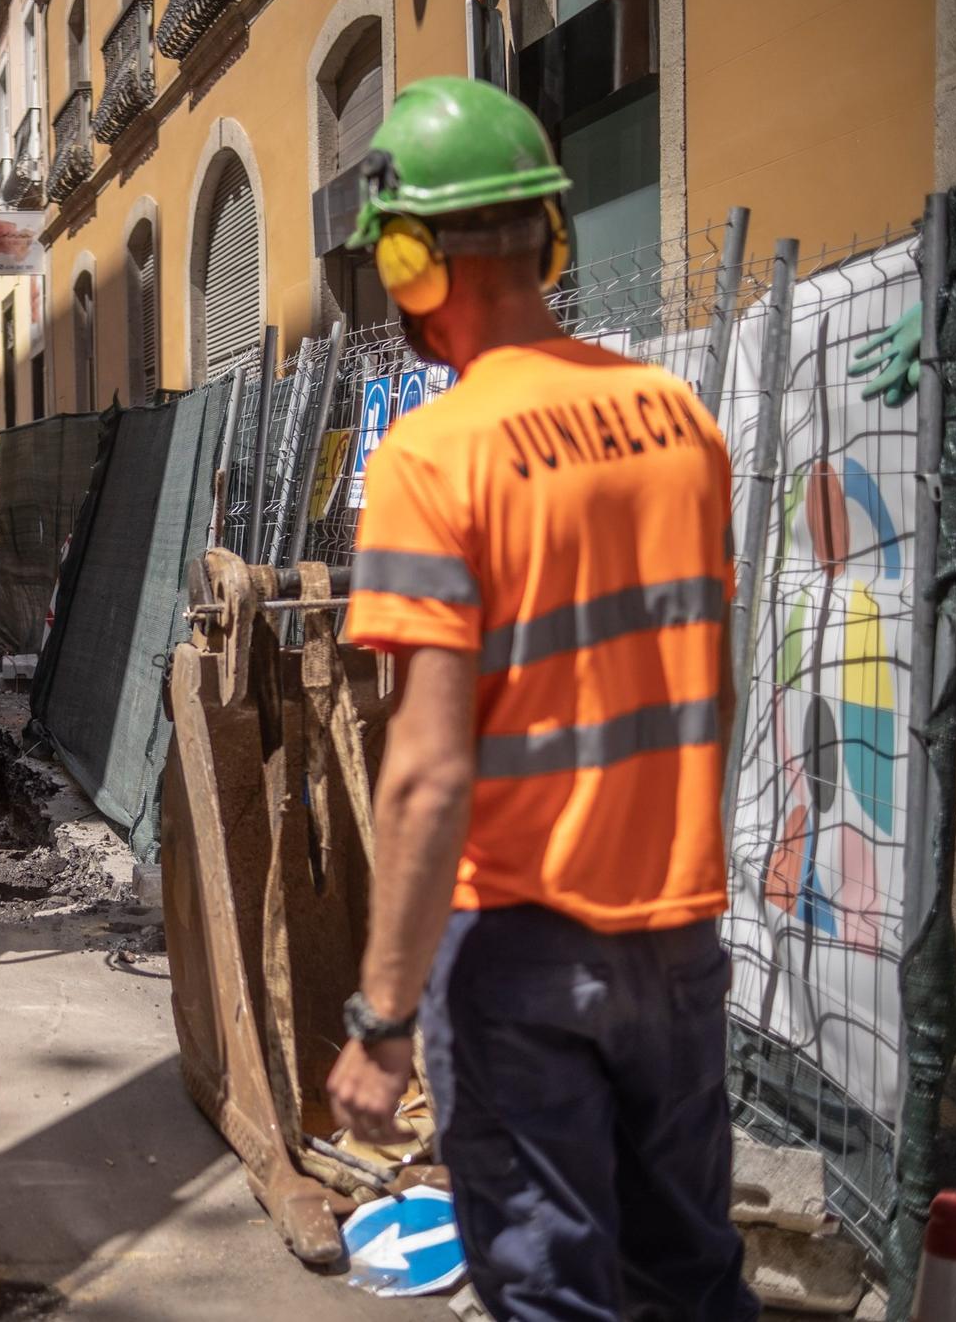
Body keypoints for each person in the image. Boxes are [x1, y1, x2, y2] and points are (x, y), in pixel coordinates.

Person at [322, 77, 759, 1322]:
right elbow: (706, 684)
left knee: (553, 1291)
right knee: (689, 1273)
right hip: (675, 935)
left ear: (409, 262)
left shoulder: (434, 454)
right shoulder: (679, 421)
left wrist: (381, 1016)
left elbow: (425, 772)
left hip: (517, 948)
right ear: (548, 235)